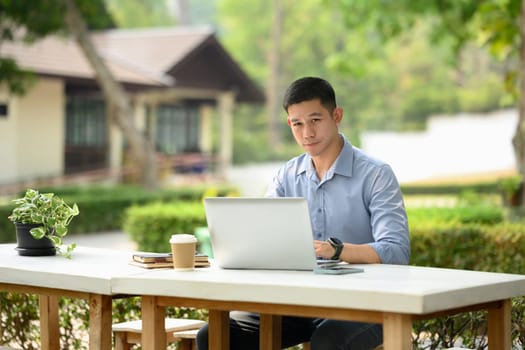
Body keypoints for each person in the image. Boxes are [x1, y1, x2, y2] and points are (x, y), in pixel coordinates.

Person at [196, 76, 410, 350]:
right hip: (297, 303)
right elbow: (264, 236)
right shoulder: (286, 175)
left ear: (337, 115)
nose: (307, 132)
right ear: (289, 124)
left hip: (365, 304)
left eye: (315, 120)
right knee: (215, 335)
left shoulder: (376, 174)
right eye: (297, 123)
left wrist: (335, 250)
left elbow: (397, 251)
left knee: (329, 340)